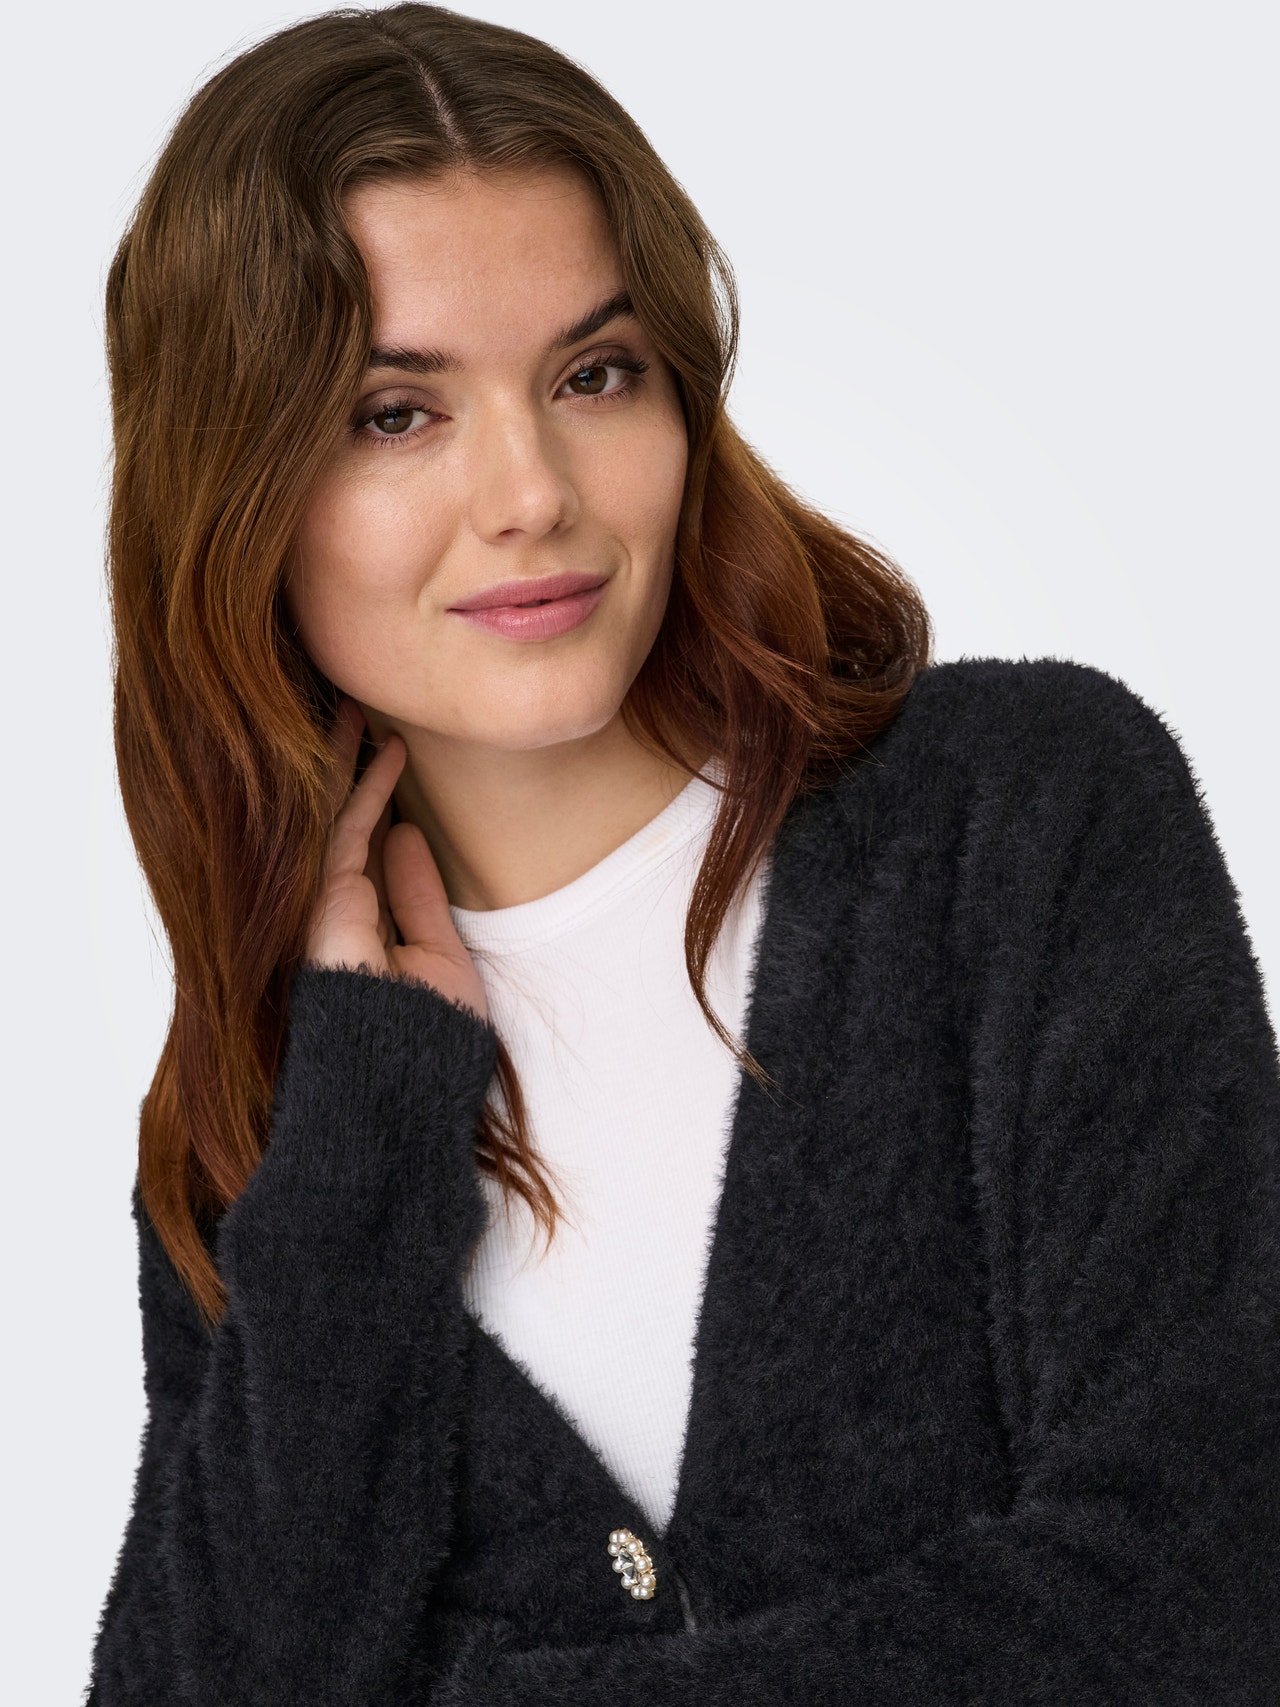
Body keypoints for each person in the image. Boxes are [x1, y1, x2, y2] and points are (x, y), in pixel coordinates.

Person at [85, 5, 1279, 1703]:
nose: (532, 494)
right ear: (234, 494)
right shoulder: (273, 1121)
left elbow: (1209, 1594)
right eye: (394, 413)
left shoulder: (1024, 817)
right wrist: (363, 1136)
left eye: (594, 375)